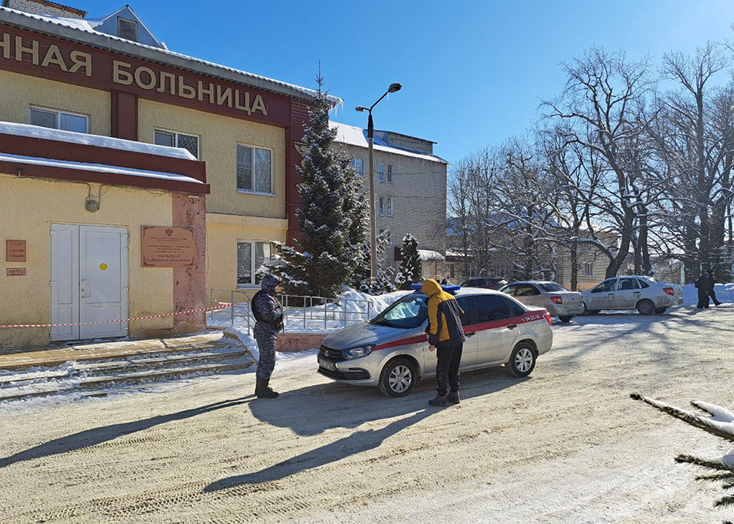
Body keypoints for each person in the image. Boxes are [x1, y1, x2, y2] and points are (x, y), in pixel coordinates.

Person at [421, 279, 466, 407]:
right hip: (458, 338)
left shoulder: (434, 301)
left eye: (425, 292)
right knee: (454, 367)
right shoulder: (450, 296)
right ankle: (454, 393)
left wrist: (432, 342)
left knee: (442, 369)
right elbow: (461, 314)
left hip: (445, 340)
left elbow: (435, 323)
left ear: (429, 290)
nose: (425, 295)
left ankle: (441, 396)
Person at [251, 274, 284, 399]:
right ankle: (262, 388)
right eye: (276, 286)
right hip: (265, 332)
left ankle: (261, 386)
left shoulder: (268, 297)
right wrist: (280, 310)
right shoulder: (264, 298)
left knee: (265, 359)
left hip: (268, 332)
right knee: (267, 360)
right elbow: (269, 315)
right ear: (269, 286)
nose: (277, 288)